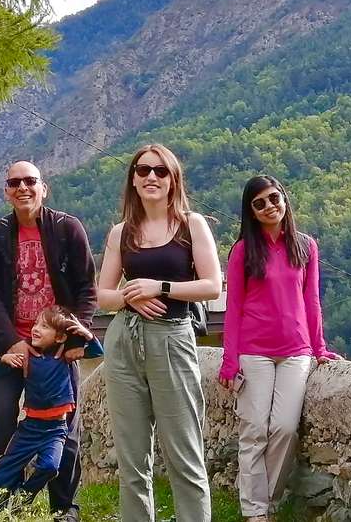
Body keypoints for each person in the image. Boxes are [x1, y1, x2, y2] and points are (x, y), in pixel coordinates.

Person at [95, 144, 223, 522]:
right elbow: (103, 296)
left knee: (185, 456)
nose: (151, 176)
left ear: (173, 179)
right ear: (133, 180)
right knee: (133, 461)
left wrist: (159, 287)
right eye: (143, 170)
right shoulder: (121, 232)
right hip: (124, 340)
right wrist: (128, 297)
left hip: (172, 338)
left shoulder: (191, 224)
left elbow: (213, 285)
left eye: (160, 171)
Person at [0, 160, 97, 522]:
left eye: (30, 181)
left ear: (44, 187)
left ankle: (64, 507)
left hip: (58, 350)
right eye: (14, 182)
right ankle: (2, 501)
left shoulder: (67, 228)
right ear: (6, 191)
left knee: (66, 427)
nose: (22, 188)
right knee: (0, 420)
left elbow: (87, 289)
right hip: (11, 345)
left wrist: (75, 337)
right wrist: (13, 341)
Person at [219, 175, 340, 522]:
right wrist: (230, 361)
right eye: (260, 203)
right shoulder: (243, 251)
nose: (270, 206)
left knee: (285, 428)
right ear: (251, 212)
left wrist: (319, 347)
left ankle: (267, 501)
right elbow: (234, 308)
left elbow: (311, 301)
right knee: (255, 428)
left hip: (296, 351)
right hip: (253, 350)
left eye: (274, 198)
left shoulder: (305, 246)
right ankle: (255, 512)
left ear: (284, 198)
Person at [0, 306, 103, 511]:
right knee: (6, 466)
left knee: (50, 467)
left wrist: (86, 333)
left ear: (60, 337)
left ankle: (22, 499)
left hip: (56, 430)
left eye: (44, 326)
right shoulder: (28, 354)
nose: (35, 329)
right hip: (29, 428)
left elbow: (97, 351)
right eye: (36, 323)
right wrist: (3, 359)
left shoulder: (65, 355)